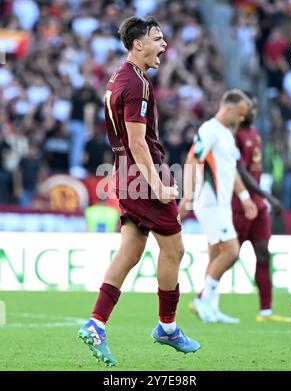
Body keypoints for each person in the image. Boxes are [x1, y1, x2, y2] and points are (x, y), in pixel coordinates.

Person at [78, 16, 200, 367]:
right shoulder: (137, 84)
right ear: (138, 44)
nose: (164, 45)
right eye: (158, 39)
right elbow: (136, 141)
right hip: (141, 174)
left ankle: (96, 323)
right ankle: (167, 326)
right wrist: (158, 184)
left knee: (131, 251)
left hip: (124, 172)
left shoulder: (119, 77)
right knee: (174, 248)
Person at [179, 89, 258, 324]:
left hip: (221, 202)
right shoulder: (209, 130)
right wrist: (188, 196)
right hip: (209, 201)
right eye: (241, 113)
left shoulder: (226, 134)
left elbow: (232, 170)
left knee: (215, 254)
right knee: (231, 251)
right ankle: (203, 301)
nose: (242, 119)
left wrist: (244, 197)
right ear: (229, 108)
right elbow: (193, 158)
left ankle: (211, 308)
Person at [232, 93, 291, 323]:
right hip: (240, 204)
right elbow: (241, 172)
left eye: (254, 108)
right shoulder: (234, 134)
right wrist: (268, 196)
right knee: (228, 255)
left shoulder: (255, 132)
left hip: (258, 207)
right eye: (249, 108)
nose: (253, 112)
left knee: (264, 254)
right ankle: (204, 298)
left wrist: (264, 199)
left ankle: (265, 311)